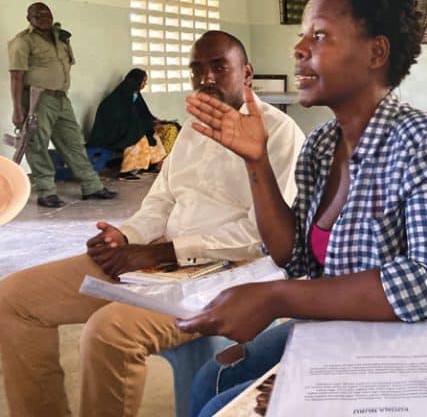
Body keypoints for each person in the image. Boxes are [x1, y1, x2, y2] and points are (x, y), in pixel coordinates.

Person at [179, 0, 427, 416]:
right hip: (354, 328)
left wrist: (278, 297)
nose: (298, 49)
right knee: (210, 381)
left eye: (318, 36)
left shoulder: (422, 140)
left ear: (376, 52)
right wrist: (256, 161)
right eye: (302, 36)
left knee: (218, 410)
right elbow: (294, 256)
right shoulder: (321, 146)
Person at [0, 30, 305, 417]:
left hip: (227, 276)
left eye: (219, 67)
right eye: (197, 70)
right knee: (14, 299)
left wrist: (163, 252)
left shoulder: (280, 133)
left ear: (246, 73)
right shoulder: (193, 129)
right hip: (156, 262)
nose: (206, 78)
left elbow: (260, 238)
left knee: (108, 333)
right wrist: (125, 236)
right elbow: (161, 200)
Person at [7, 2, 117, 207]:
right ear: (29, 19)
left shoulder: (61, 38)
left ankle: (92, 186)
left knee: (74, 142)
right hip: (37, 98)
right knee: (37, 144)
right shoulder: (23, 41)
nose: (44, 18)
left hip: (61, 99)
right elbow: (16, 76)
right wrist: (18, 109)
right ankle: (46, 192)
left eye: (47, 14)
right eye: (38, 15)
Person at [89, 68, 174, 180]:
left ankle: (151, 165)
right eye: (144, 81)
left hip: (124, 128)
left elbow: (142, 114)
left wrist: (154, 121)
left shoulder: (134, 95)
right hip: (110, 133)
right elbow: (123, 121)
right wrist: (148, 124)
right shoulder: (119, 97)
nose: (145, 84)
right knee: (139, 137)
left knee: (152, 133)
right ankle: (125, 171)